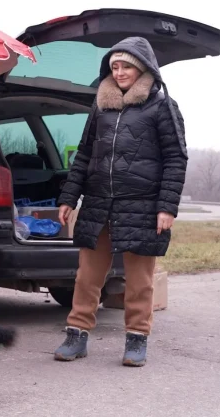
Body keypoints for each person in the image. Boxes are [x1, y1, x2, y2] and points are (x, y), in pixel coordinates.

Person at [54, 36, 188, 367]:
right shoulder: (100, 107)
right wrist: (69, 197)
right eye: (114, 66)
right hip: (98, 203)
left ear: (141, 67)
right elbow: (84, 155)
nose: (119, 72)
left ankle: (137, 339)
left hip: (143, 205)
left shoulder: (162, 107)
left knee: (139, 280)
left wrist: (166, 207)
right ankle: (76, 335)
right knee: (87, 276)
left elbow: (175, 158)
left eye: (125, 65)